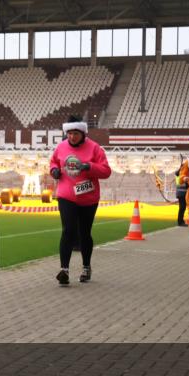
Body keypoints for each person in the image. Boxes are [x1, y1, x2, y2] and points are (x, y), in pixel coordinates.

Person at [48, 116, 112, 286]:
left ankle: (86, 267)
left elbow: (106, 171)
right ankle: (64, 270)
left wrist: (89, 167)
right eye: (69, 133)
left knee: (84, 233)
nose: (72, 137)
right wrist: (54, 171)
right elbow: (53, 162)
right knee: (68, 230)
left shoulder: (95, 148)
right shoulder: (61, 147)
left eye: (75, 133)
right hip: (66, 195)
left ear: (83, 133)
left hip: (88, 198)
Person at [174, 157, 188, 226]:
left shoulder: (178, 173)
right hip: (182, 193)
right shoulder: (181, 174)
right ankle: (180, 222)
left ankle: (181, 221)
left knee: (182, 207)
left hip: (180, 193)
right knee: (182, 207)